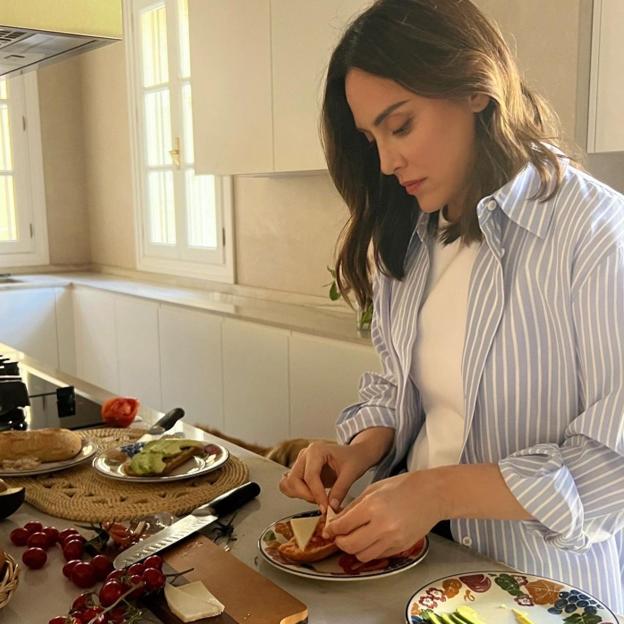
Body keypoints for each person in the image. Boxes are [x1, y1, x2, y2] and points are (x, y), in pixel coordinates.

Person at [279, 0, 624, 612]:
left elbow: (611, 471)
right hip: (414, 569)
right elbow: (396, 388)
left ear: (473, 88)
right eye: (371, 138)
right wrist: (358, 452)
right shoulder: (409, 235)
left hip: (538, 590)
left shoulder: (597, 236)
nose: (386, 162)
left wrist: (438, 492)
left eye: (401, 125)